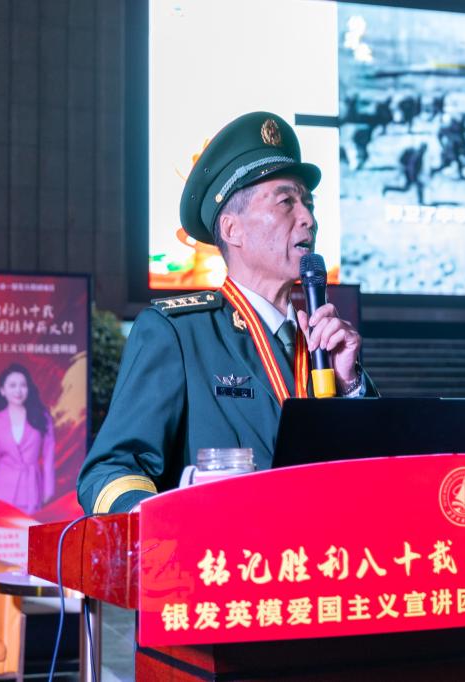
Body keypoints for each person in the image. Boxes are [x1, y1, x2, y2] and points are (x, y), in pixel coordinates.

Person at [78, 112, 377, 515]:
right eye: (287, 202)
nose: (308, 218)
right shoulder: (178, 334)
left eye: (308, 203)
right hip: (221, 552)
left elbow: (376, 472)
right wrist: (166, 527)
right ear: (233, 230)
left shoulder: (324, 345)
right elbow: (111, 470)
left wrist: (351, 386)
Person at [0, 364, 56, 515]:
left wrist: (48, 489)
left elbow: (49, 454)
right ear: (2, 391)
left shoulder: (41, 416)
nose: (18, 390)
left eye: (23, 385)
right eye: (12, 385)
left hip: (30, 489)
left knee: (27, 528)